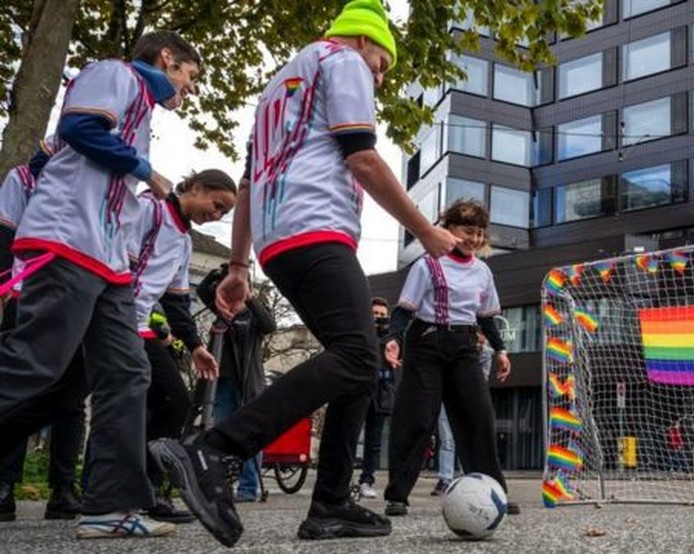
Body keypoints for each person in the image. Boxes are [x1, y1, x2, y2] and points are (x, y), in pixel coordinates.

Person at [149, 0, 459, 546]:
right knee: (361, 356)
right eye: (382, 63)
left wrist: (239, 265)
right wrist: (427, 233)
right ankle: (214, 451)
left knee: (356, 360)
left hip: (278, 238)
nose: (380, 78)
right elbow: (362, 157)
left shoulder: (279, 88)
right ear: (364, 40)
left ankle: (331, 504)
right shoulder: (343, 62)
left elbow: (247, 184)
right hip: (316, 226)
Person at [0, 30, 200, 539]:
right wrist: (144, 170)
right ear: (167, 58)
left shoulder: (142, 110)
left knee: (129, 374)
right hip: (68, 237)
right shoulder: (116, 73)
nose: (191, 89)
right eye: (189, 76)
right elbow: (80, 128)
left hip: (107, 259)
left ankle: (110, 506)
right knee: (36, 361)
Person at [383, 199, 518, 517]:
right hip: (426, 343)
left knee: (478, 417)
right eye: (467, 230)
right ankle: (398, 495)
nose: (473, 238)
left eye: (479, 233)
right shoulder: (427, 264)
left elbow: (486, 317)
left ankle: (493, 490)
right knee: (418, 419)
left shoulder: (483, 271)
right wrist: (393, 339)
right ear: (449, 229)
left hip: (464, 346)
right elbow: (405, 309)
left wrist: (500, 350)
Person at [130, 170, 235, 521]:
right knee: (65, 396)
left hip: (141, 326)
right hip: (110, 317)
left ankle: (147, 490)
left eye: (223, 213)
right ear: (195, 187)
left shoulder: (185, 242)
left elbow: (176, 302)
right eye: (216, 204)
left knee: (172, 399)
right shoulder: (150, 209)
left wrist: (194, 346)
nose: (216, 215)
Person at [0, 162, 85, 522]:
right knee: (25, 386)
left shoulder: (93, 181)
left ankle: (63, 488)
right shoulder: (23, 178)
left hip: (77, 292)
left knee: (72, 397)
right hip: (25, 290)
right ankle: (4, 484)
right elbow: (5, 231)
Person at [197, 265, 277, 503]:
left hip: (248, 383)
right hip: (222, 382)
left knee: (250, 436)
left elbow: (269, 325)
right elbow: (202, 291)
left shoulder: (253, 315)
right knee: (223, 432)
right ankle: (222, 485)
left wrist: (249, 296)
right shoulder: (222, 310)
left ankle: (248, 488)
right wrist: (220, 274)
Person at [431, 332, 494, 496]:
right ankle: (445, 479)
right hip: (449, 395)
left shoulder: (485, 354)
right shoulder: (452, 348)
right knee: (447, 440)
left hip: (470, 398)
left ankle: (467, 477)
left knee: (467, 438)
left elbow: (483, 378)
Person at [357, 297, 401, 499]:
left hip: (381, 393)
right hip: (358, 391)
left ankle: (367, 480)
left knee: (374, 442)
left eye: (382, 315)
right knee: (350, 438)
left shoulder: (392, 339)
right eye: (375, 314)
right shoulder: (360, 334)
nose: (379, 318)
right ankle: (342, 479)